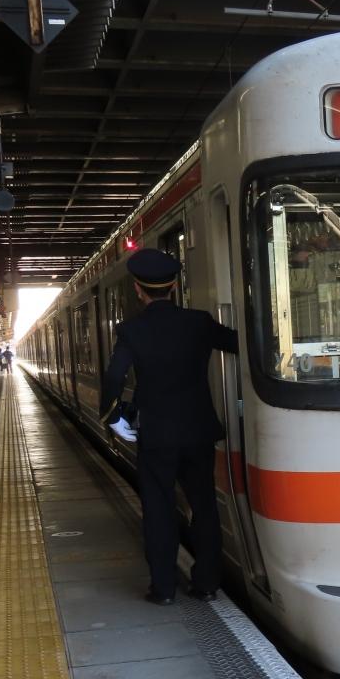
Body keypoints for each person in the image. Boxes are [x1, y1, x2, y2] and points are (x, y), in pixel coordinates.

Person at [100, 248, 239, 605]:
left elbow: (114, 376)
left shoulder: (132, 330)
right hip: (198, 431)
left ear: (138, 289)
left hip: (156, 435)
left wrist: (112, 416)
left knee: (159, 508)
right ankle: (206, 584)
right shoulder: (199, 322)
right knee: (204, 506)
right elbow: (238, 343)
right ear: (174, 286)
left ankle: (162, 589)